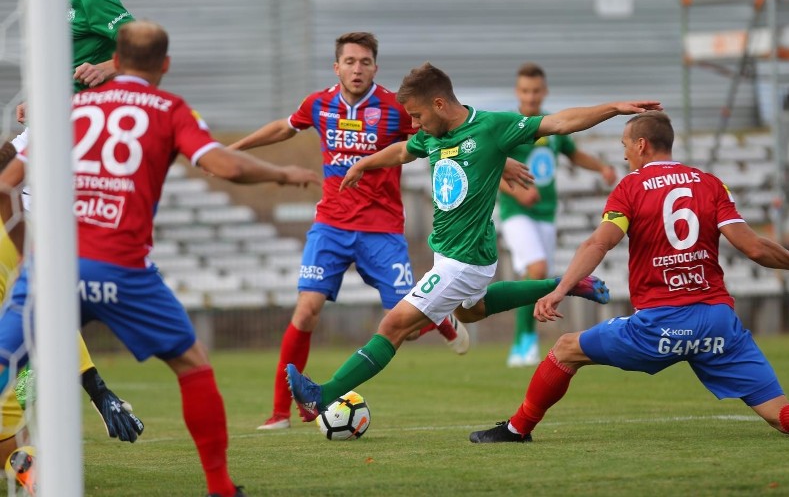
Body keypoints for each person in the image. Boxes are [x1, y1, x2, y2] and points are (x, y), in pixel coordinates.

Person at [0, 21, 320, 496]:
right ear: (165, 65)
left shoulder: (69, 106)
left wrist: (29, 255)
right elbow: (224, 165)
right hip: (122, 267)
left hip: (55, 266)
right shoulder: (170, 109)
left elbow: (7, 180)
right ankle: (220, 486)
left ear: (116, 61)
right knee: (193, 365)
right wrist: (283, 172)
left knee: (4, 360)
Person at [286, 61, 660, 422]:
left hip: (462, 260)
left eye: (417, 116)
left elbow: (560, 122)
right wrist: (364, 163)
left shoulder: (492, 126)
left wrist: (613, 107)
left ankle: (325, 394)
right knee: (470, 312)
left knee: (394, 326)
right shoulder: (433, 136)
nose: (414, 125)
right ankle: (568, 284)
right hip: (457, 254)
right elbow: (402, 151)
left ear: (439, 103)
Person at [468, 110, 789, 444]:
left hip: (661, 325)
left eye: (625, 145)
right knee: (780, 415)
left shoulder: (630, 188)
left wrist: (561, 289)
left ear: (643, 145)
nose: (623, 153)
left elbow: (598, 245)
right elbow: (753, 248)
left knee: (566, 349)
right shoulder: (711, 184)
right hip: (717, 322)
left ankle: (517, 430)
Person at [230, 32, 474, 431]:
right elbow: (284, 127)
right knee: (306, 312)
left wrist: (499, 167)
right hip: (330, 224)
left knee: (403, 327)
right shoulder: (318, 104)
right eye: (350, 61)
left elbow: (442, 135)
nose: (357, 68)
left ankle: (440, 319)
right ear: (337, 67)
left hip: (381, 230)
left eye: (364, 62)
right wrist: (234, 149)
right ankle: (281, 412)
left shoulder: (396, 109)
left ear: (375, 67)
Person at [0, 0, 140, 449]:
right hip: (53, 121)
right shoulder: (62, 0)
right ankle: (64, 378)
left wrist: (109, 66)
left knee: (28, 260)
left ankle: (46, 379)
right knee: (30, 271)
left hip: (72, 132)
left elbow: (137, 42)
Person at [499, 63, 617, 367]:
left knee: (536, 278)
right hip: (516, 211)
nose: (531, 96)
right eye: (525, 91)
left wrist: (601, 167)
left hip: (546, 214)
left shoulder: (551, 127)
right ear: (517, 92)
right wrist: (518, 191)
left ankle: (526, 340)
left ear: (544, 91)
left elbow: (573, 154)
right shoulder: (509, 124)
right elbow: (490, 166)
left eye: (536, 90)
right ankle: (522, 342)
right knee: (537, 270)